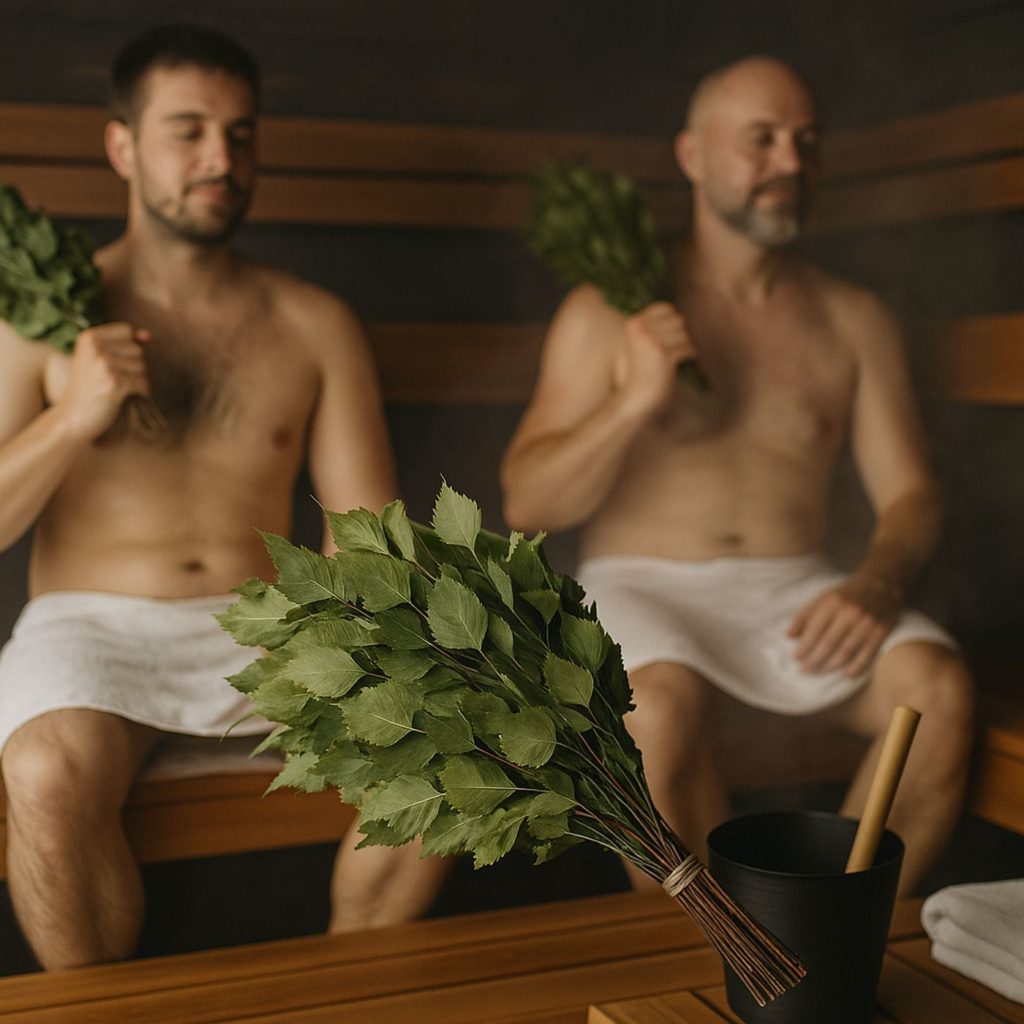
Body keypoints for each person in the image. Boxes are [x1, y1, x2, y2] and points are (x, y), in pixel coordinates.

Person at [0, 24, 446, 970]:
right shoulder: (40, 320)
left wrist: (359, 653)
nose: (220, 159)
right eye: (188, 130)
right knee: (41, 772)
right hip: (94, 629)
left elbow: (364, 531)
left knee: (454, 736)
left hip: (269, 628)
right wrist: (72, 418)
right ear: (122, 145)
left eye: (241, 135)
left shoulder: (313, 323)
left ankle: (344, 988)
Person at [500, 56, 974, 896]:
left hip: (795, 591)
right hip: (644, 588)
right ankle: (722, 953)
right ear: (693, 155)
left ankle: (835, 931)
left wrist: (875, 583)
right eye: (762, 139)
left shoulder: (853, 318)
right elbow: (528, 502)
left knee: (936, 688)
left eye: (806, 141)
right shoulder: (611, 309)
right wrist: (635, 400)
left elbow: (912, 494)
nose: (790, 162)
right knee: (657, 709)